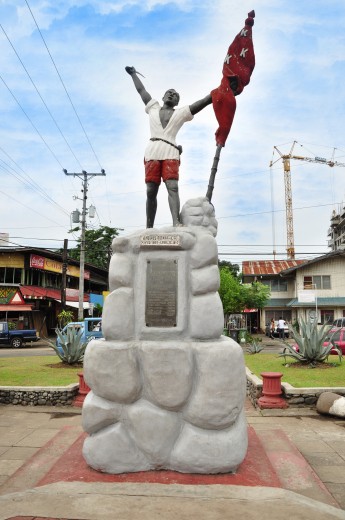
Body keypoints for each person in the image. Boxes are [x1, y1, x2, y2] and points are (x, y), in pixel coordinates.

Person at [125, 66, 215, 228]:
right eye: (169, 92)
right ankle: (149, 226)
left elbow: (202, 102)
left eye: (175, 95)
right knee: (151, 190)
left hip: (170, 151)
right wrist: (133, 74)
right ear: (163, 96)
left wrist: (217, 93)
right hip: (153, 150)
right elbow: (141, 91)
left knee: (172, 187)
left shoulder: (181, 113)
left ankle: (176, 221)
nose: (172, 95)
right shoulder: (153, 107)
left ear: (177, 102)